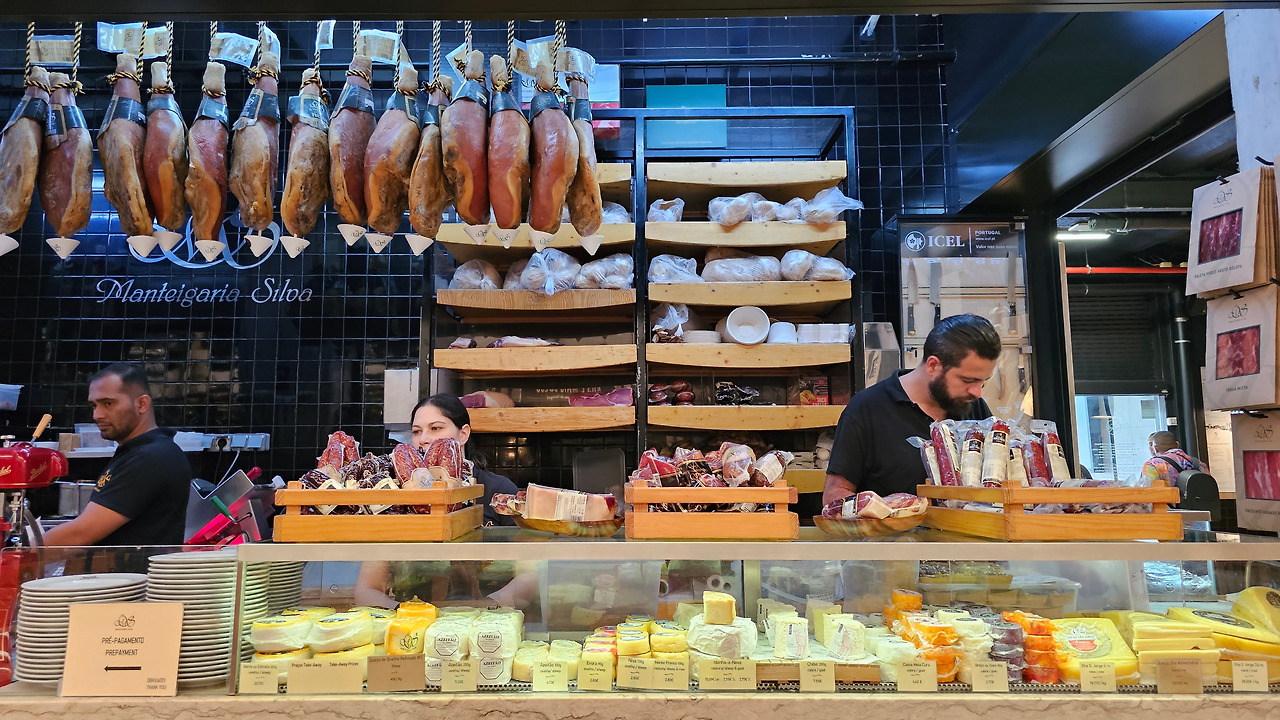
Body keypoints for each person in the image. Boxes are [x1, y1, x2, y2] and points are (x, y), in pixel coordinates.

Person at [354, 394, 520, 608]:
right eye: (416, 431)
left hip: (486, 620)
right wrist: (409, 613)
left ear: (463, 434)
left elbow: (530, 576)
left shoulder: (498, 491)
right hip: (414, 621)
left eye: (436, 428)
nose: (423, 439)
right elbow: (367, 589)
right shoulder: (395, 496)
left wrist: (486, 608)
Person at [823, 314, 1000, 505]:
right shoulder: (867, 409)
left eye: (983, 381)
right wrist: (887, 510)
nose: (977, 392)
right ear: (933, 365)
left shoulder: (974, 407)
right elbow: (834, 496)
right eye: (968, 380)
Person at [43, 363, 192, 547]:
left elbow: (82, 533)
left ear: (142, 404)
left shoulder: (153, 457)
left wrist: (24, 551)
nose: (97, 415)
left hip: (136, 567)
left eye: (108, 403)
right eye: (94, 405)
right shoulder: (135, 452)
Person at [1141, 430, 1207, 486]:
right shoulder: (1199, 464)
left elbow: (1147, 493)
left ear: (1156, 448)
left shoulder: (1153, 465)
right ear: (1177, 444)